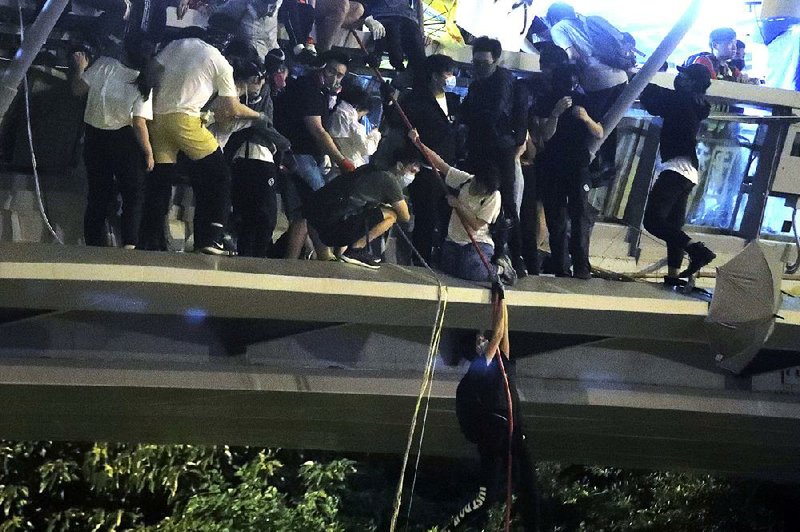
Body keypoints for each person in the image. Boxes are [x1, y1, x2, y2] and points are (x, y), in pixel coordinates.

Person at [138, 17, 263, 255]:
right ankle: (210, 238)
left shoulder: (178, 44)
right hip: (185, 121)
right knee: (219, 176)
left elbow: (152, 70)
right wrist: (259, 116)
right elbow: (231, 109)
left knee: (161, 181)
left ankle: (150, 239)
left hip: (157, 118)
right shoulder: (221, 62)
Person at [443, 290, 538, 531]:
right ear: (475, 350)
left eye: (482, 338)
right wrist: (501, 299)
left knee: (526, 483)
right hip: (496, 439)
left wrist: (500, 302)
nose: (483, 340)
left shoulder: (503, 361)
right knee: (488, 497)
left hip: (511, 433)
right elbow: (496, 337)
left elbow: (503, 335)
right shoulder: (479, 367)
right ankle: (455, 524)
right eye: (478, 340)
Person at [70, 34, 154, 249]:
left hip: (95, 138)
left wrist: (80, 67)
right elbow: (138, 123)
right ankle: (129, 242)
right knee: (133, 194)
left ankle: (93, 242)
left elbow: (77, 90)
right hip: (125, 140)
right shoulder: (143, 81)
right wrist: (148, 151)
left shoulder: (104, 65)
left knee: (98, 194)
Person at [379, 53, 461, 266]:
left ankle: (443, 258)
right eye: (447, 74)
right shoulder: (417, 100)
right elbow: (396, 119)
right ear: (434, 76)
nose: (451, 78)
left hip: (449, 169)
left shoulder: (453, 100)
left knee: (447, 217)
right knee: (427, 217)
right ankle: (421, 261)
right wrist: (388, 100)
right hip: (424, 167)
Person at [410, 130, 517, 285]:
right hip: (454, 239)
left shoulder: (494, 196)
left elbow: (477, 224)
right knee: (448, 268)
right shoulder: (466, 181)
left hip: (477, 241)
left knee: (473, 271)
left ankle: (500, 269)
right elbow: (440, 164)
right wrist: (418, 143)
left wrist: (458, 205)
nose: (483, 192)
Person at [641, 64, 716, 283]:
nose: (679, 77)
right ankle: (673, 274)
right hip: (689, 171)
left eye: (684, 75)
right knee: (673, 227)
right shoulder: (695, 103)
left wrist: (636, 76)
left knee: (653, 221)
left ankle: (697, 250)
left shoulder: (680, 100)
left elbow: (651, 96)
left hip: (675, 168)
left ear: (692, 82)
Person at [460, 36, 527, 277]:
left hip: (499, 149)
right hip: (484, 148)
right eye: (475, 62)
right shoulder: (478, 84)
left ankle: (511, 254)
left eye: (483, 62)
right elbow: (468, 113)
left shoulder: (503, 82)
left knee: (506, 202)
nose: (478, 67)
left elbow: (491, 114)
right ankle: (497, 251)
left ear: (495, 60)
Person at [531, 64, 603, 279]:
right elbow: (545, 135)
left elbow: (599, 132)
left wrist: (586, 118)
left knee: (579, 215)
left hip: (578, 165)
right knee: (557, 218)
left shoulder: (585, 101)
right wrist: (556, 113)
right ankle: (561, 265)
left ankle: (581, 265)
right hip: (553, 166)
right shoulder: (546, 101)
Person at [546, 2, 629, 183]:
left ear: (553, 18)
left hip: (598, 82)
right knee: (608, 124)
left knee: (588, 123)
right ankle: (607, 165)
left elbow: (572, 54)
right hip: (621, 79)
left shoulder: (559, 28)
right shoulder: (587, 23)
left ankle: (589, 169)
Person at [302, 141, 419, 269]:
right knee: (391, 214)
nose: (412, 176)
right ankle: (355, 251)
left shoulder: (366, 169)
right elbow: (405, 216)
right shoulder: (389, 181)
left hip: (316, 218)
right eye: (412, 171)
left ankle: (326, 257)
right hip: (333, 227)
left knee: (358, 210)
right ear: (400, 166)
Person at [223, 49, 293, 257]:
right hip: (255, 155)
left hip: (242, 156)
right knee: (264, 215)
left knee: (248, 213)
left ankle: (248, 254)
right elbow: (261, 123)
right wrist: (284, 144)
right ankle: (257, 256)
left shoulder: (261, 90)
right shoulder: (260, 89)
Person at [274, 50, 354, 193]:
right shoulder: (309, 89)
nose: (334, 78)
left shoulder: (321, 92)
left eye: (340, 75)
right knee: (320, 195)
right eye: (331, 71)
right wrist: (342, 161)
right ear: (321, 67)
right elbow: (317, 130)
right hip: (296, 152)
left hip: (305, 152)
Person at [327, 83, 381, 174]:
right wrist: (375, 134)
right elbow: (366, 148)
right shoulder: (350, 119)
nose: (360, 118)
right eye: (363, 114)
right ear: (358, 107)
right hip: (349, 164)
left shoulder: (336, 110)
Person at [361, 0, 426, 73]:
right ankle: (394, 65)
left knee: (419, 57)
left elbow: (418, 4)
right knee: (393, 34)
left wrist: (422, 33)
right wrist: (369, 19)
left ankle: (417, 75)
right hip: (382, 15)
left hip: (407, 18)